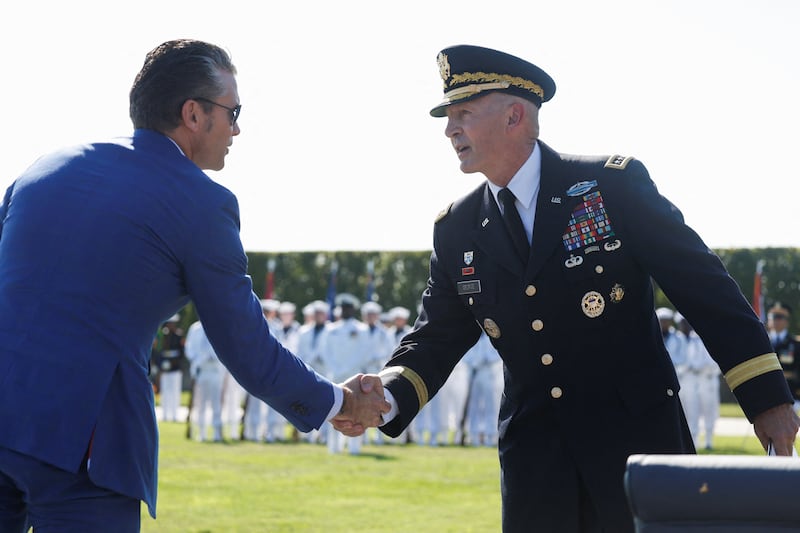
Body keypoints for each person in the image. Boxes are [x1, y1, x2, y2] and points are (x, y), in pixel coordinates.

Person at [337, 44, 799, 532]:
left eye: (464, 113)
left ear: (515, 115)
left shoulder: (611, 187)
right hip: (536, 468)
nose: (450, 129)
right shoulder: (457, 227)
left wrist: (767, 400)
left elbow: (707, 291)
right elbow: (435, 337)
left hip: (636, 450)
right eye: (448, 117)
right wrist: (384, 395)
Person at [0, 39, 388, 532]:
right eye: (233, 112)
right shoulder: (202, 203)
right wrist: (340, 402)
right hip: (82, 437)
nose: (237, 129)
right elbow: (245, 346)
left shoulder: (45, 167)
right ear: (193, 114)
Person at [319, 294, 373, 455]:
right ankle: (333, 447)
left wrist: (349, 368)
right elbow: (324, 351)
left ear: (353, 310)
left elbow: (365, 353)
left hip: (354, 375)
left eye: (348, 309)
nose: (345, 311)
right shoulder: (330, 329)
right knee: (333, 410)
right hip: (335, 375)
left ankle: (354, 447)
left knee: (356, 411)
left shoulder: (361, 329)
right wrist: (335, 368)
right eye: (343, 308)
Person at [676, 314, 721, 450]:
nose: (685, 326)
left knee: (709, 409)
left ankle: (708, 441)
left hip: (706, 378)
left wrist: (698, 366)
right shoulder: (682, 339)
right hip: (690, 379)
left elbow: (712, 361)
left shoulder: (702, 338)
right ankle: (694, 440)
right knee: (691, 411)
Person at [184, 320, 225, 442]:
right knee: (200, 404)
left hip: (215, 370)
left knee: (216, 404)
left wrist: (212, 356)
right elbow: (189, 348)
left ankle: (217, 433)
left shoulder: (218, 326)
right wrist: (197, 360)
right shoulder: (195, 328)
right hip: (200, 370)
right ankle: (201, 432)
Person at [154, 314, 187, 422]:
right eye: (169, 323)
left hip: (175, 368)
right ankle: (165, 414)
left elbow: (182, 352)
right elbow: (158, 351)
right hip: (164, 368)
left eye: (172, 323)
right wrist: (160, 365)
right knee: (165, 391)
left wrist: (179, 365)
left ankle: (174, 414)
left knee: (175, 391)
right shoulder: (162, 336)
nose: (171, 325)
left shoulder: (179, 335)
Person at [768, 302, 800, 409]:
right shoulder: (761, 343)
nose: (776, 320)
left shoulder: (795, 344)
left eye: (780, 317)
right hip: (766, 397)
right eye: (773, 317)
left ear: (787, 321)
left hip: (790, 396)